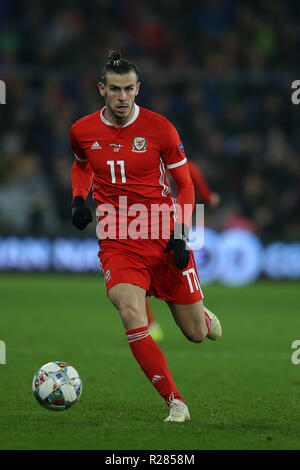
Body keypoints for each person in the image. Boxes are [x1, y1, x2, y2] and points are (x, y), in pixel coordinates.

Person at [70, 51, 222, 423]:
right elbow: (81, 166)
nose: (122, 97)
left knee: (197, 334)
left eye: (128, 90)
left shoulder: (161, 129)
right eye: (114, 90)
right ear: (102, 90)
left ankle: (199, 313)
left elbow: (184, 184)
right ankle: (175, 402)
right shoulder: (81, 130)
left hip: (162, 232)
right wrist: (78, 199)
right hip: (118, 239)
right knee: (130, 311)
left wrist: (183, 233)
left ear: (138, 89)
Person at [146, 158, 221, 342]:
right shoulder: (185, 165)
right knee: (134, 283)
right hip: (153, 228)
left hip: (172, 230)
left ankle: (193, 312)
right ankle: (148, 326)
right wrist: (211, 199)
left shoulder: (143, 163)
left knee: (164, 277)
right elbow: (208, 199)